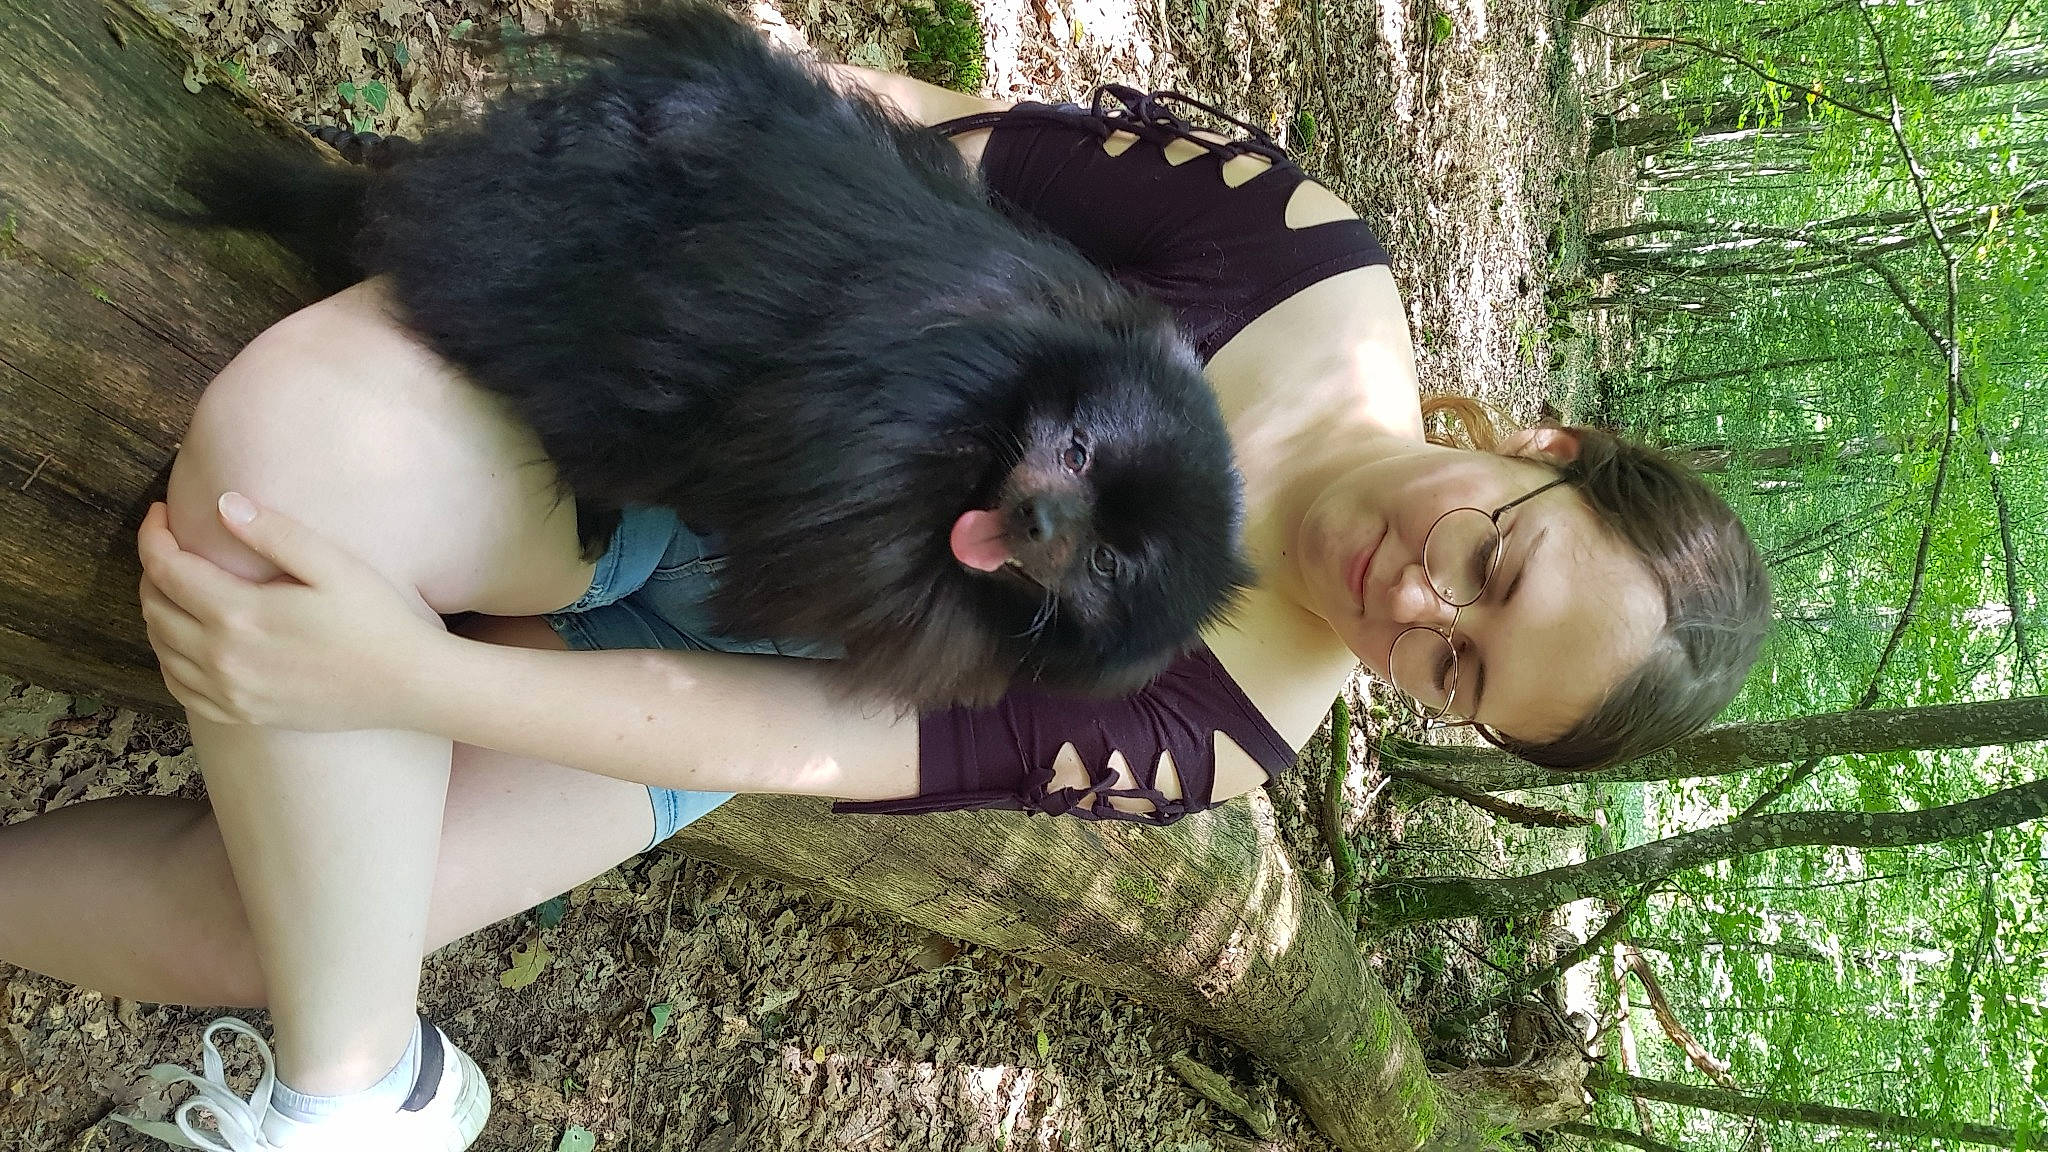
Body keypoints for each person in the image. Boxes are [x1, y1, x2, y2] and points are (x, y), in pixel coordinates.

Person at [0, 58, 1769, 1152]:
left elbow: (818, 739)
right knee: (283, 485)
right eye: (1494, 557)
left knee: (272, 924)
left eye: (1456, 669)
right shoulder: (1294, 257)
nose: (1416, 599)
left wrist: (399, 680)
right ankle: (361, 1082)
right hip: (690, 425)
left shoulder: (1222, 736)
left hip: (749, 670)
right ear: (1544, 445)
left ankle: (346, 1069)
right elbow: (901, 154)